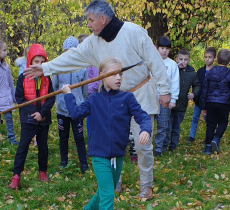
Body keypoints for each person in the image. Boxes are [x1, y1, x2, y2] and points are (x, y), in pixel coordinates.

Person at [24, 0, 171, 200]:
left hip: (140, 93)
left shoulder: (134, 32)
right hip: (112, 99)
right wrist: (46, 68)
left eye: (91, 20)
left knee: (142, 144)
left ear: (103, 19)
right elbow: (72, 57)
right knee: (113, 141)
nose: (88, 25)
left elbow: (155, 60)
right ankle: (113, 183)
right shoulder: (93, 42)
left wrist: (164, 89)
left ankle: (146, 185)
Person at [62, 57, 152, 209]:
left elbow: (143, 116)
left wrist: (145, 129)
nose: (118, 78)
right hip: (99, 155)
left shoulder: (127, 98)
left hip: (118, 155)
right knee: (108, 194)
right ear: (102, 76)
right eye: (114, 74)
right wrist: (68, 95)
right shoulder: (94, 99)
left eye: (120, 74)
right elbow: (76, 114)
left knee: (104, 192)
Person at [8, 44, 55, 189]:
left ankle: (42, 171)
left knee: (43, 147)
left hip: (44, 119)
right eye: (36, 62)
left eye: (42, 62)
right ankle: (16, 175)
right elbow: (20, 98)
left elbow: (51, 98)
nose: (39, 65)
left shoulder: (47, 79)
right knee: (23, 146)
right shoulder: (22, 78)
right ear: (30, 62)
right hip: (28, 119)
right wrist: (33, 113)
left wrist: (42, 113)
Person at [52, 36, 88, 173]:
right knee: (63, 137)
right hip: (62, 109)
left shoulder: (82, 68)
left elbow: (85, 90)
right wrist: (60, 99)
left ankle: (83, 163)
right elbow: (55, 86)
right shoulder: (58, 68)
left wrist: (80, 102)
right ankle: (63, 161)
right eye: (66, 51)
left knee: (79, 137)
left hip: (77, 109)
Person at [163, 49, 200, 151]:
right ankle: (164, 145)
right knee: (167, 125)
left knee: (176, 127)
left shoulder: (192, 73)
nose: (182, 62)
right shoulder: (172, 69)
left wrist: (193, 93)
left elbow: (197, 85)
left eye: (185, 59)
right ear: (176, 59)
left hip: (182, 104)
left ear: (189, 60)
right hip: (170, 102)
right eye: (180, 59)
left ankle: (173, 146)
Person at [200, 49, 230, 155]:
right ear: (229, 61)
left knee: (210, 124)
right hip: (224, 103)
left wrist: (203, 106)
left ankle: (207, 146)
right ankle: (216, 138)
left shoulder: (210, 73)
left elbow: (204, 89)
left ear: (216, 59)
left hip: (210, 102)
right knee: (223, 122)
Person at [153, 35, 179, 157]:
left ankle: (159, 148)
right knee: (147, 124)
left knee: (163, 125)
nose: (164, 51)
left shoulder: (172, 65)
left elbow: (175, 83)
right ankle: (146, 147)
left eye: (167, 48)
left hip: (165, 100)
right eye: (162, 48)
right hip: (151, 98)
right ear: (157, 48)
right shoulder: (150, 62)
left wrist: (173, 99)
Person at [186, 47, 216, 142]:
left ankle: (210, 136)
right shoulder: (200, 71)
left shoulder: (216, 72)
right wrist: (194, 95)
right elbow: (196, 85)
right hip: (199, 100)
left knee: (208, 120)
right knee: (195, 118)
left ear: (214, 58)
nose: (207, 59)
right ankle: (191, 136)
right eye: (206, 57)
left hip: (210, 101)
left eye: (210, 57)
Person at [77, 33, 100, 137]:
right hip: (88, 95)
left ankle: (95, 142)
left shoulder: (94, 60)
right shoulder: (84, 60)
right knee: (90, 121)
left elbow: (98, 80)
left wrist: (87, 90)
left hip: (94, 96)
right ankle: (92, 142)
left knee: (94, 121)